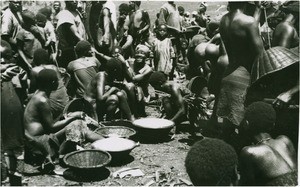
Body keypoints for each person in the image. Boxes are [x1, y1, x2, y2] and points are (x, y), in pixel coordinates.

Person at [216, 2, 264, 143]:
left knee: (227, 125)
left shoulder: (224, 20)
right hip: (244, 76)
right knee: (245, 127)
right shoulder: (249, 21)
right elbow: (260, 55)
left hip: (229, 73)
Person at [239, 102, 298, 186]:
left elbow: (246, 184)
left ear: (246, 124)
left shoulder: (250, 152)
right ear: (273, 125)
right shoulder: (285, 140)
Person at [1, 40, 24, 183]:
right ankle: (11, 174)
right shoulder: (11, 70)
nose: (3, 61)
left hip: (11, 108)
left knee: (13, 143)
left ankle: (14, 173)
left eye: (5, 57)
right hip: (9, 107)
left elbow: (21, 90)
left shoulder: (14, 70)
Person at [29, 48, 69, 122]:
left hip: (52, 106)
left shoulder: (34, 70)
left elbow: (32, 90)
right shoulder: (54, 67)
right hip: (65, 101)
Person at [56, 0, 85, 69]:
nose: (75, 2)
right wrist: (85, 43)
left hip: (77, 47)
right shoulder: (65, 14)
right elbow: (75, 33)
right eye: (72, 0)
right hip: (70, 50)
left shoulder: (76, 12)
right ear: (66, 2)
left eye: (76, 0)